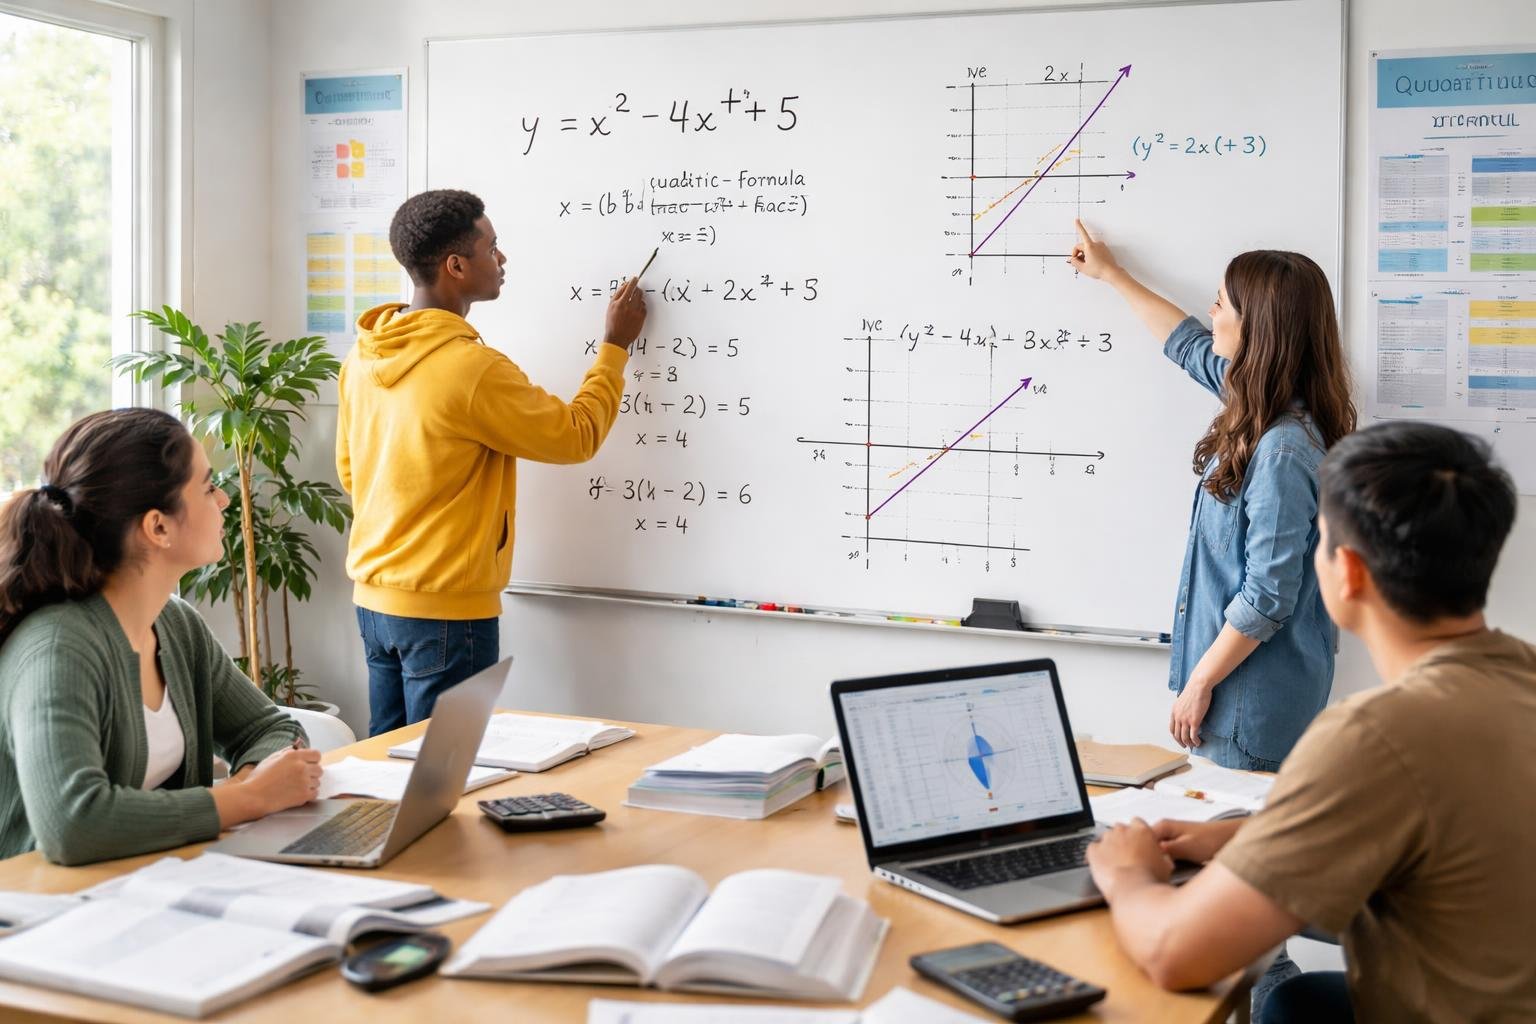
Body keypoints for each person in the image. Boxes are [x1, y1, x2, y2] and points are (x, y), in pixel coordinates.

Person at [1084, 421, 1534, 1023]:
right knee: (1294, 1001)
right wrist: (1244, 837)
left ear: (1345, 572)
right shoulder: (1517, 675)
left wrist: (1128, 875)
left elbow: (1175, 954)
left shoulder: (1376, 735)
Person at [338, 189, 647, 736]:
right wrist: (614, 348)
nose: (502, 259)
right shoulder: (470, 369)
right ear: (456, 266)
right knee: (443, 783)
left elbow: (350, 472)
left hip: (375, 603)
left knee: (383, 775)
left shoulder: (363, 356)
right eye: (492, 247)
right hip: (447, 612)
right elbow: (576, 437)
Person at [1071, 220, 1356, 771]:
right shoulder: (1264, 400)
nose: (1213, 312)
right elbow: (1187, 344)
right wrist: (1113, 275)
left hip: (1251, 701)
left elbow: (1268, 594)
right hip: (1242, 691)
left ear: (1258, 328)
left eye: (1222, 303)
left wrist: (1200, 680)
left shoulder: (1282, 451)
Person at [0, 409, 323, 866]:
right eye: (208, 487)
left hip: (147, 891)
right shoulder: (59, 647)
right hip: (42, 916)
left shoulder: (175, 624)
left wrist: (252, 781)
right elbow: (72, 824)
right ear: (158, 527)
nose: (225, 500)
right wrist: (248, 799)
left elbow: (270, 727)